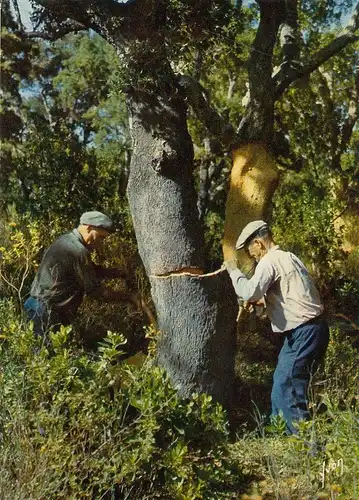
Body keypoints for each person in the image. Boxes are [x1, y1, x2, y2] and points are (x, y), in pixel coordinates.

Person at [224, 220, 329, 434]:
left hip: (304, 331)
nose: (250, 254)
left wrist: (234, 272)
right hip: (309, 330)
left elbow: (249, 291)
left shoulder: (269, 262)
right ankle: (283, 437)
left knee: (288, 386)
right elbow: (295, 294)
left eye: (249, 249)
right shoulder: (288, 257)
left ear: (259, 243)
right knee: (281, 385)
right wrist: (265, 303)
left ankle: (307, 449)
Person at [24, 211, 133, 338]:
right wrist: (129, 298)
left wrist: (118, 273)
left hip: (36, 306)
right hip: (45, 312)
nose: (101, 243)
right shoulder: (78, 251)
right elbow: (94, 291)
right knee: (45, 355)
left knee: (44, 354)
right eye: (100, 237)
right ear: (89, 228)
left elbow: (89, 270)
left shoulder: (67, 240)